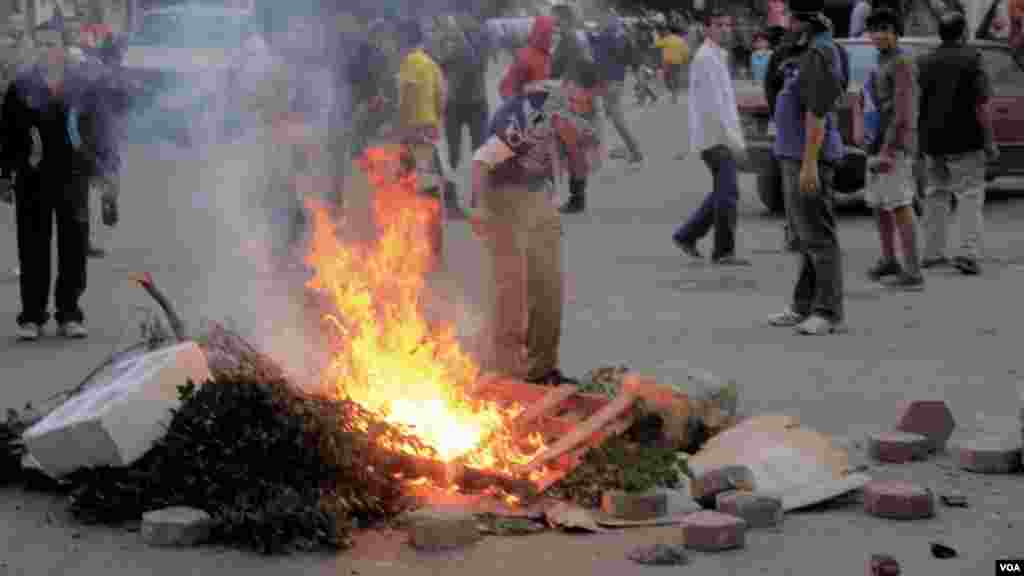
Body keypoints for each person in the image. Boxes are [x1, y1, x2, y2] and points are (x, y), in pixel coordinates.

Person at [468, 70, 601, 386]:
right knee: (511, 288)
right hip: (501, 196)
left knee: (549, 286)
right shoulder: (529, 115)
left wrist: (572, 144)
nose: (582, 107)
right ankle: (505, 371)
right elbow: (482, 161)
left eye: (587, 101)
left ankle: (542, 369)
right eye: (577, 99)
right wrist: (480, 208)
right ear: (567, 87)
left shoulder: (580, 117)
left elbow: (583, 167)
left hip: (539, 197)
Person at [0, 16, 119, 340]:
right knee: (32, 248)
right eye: (39, 44)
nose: (44, 50)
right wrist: (5, 175)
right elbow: (6, 134)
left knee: (74, 247)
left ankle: (69, 313)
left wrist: (107, 169)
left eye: (51, 44)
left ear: (65, 48)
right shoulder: (21, 87)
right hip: (32, 177)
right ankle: (32, 317)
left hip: (72, 176)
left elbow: (101, 129)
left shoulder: (83, 86)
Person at [766, 0, 848, 335]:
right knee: (804, 238)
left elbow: (817, 112)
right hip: (793, 154)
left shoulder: (822, 52)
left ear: (805, 20)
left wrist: (810, 164)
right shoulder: (805, 50)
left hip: (808, 157)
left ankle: (828, 312)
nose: (787, 23)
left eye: (791, 18)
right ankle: (803, 305)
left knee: (818, 237)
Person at [917, 9, 998, 275]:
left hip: (933, 141)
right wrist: (990, 141)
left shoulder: (924, 61)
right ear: (964, 32)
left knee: (935, 195)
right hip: (966, 140)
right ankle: (967, 254)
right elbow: (981, 105)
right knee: (969, 195)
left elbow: (918, 104)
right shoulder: (974, 59)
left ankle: (932, 252)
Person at [672, 11, 750, 267]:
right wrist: (736, 143)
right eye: (719, 25)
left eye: (728, 25)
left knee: (723, 191)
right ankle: (723, 251)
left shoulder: (717, 55)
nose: (725, 29)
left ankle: (687, 235)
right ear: (707, 29)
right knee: (728, 194)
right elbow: (716, 106)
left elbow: (725, 102)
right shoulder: (706, 58)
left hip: (718, 135)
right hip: (715, 137)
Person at [862, 6, 923, 290]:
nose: (879, 35)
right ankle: (889, 259)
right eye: (875, 30)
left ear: (896, 33)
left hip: (894, 146)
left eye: (885, 29)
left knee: (899, 204)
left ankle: (913, 272)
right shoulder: (880, 60)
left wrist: (888, 150)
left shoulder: (902, 62)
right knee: (879, 204)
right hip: (877, 142)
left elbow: (904, 112)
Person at [396, 19, 447, 270]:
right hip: (429, 131)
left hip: (413, 132)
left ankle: (405, 245)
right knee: (430, 188)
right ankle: (434, 246)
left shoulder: (410, 62)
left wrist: (402, 124)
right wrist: (434, 121)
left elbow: (405, 95)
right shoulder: (432, 64)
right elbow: (441, 98)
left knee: (405, 187)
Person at [436, 14, 490, 175]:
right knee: (474, 146)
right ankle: (472, 178)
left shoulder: (460, 49)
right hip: (472, 102)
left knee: (459, 147)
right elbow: (442, 68)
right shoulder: (478, 48)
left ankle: (458, 177)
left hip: (462, 103)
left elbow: (441, 67)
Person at [591, 14, 643, 167]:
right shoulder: (623, 38)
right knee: (613, 116)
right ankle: (627, 149)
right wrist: (639, 80)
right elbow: (635, 62)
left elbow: (595, 60)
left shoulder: (602, 38)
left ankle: (635, 151)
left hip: (608, 82)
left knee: (616, 118)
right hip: (617, 81)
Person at [499, 16, 555, 100]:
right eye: (552, 33)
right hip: (514, 98)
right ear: (543, 33)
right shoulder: (527, 56)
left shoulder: (545, 54)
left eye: (557, 33)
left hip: (529, 97)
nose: (555, 37)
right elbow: (515, 87)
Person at [654, 26, 689, 104]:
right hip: (677, 62)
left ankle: (672, 92)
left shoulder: (667, 39)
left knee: (667, 78)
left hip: (667, 62)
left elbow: (657, 44)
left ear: (670, 32)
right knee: (675, 77)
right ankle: (674, 94)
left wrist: (658, 36)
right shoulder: (681, 40)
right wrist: (685, 60)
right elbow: (685, 52)